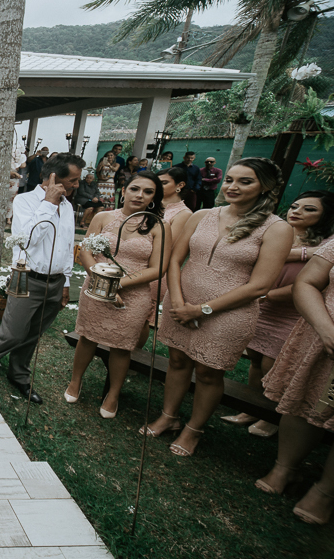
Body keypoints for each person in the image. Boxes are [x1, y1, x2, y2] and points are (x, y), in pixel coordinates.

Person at [142, 158, 293, 457]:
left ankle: (194, 430)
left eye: (245, 181)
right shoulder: (203, 216)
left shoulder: (276, 228)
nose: (233, 186)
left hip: (228, 313)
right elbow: (173, 260)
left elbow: (260, 286)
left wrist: (202, 310)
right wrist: (180, 301)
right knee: (177, 361)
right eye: (231, 179)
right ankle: (169, 416)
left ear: (265, 187)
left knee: (209, 373)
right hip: (181, 301)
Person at [223, 190, 334, 436]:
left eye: (309, 209)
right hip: (261, 307)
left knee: (273, 365)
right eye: (295, 206)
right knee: (254, 360)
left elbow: (311, 284)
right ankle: (251, 407)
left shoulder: (327, 245)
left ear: (326, 216)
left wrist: (269, 294)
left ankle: (272, 415)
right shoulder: (279, 233)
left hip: (291, 313)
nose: (297, 211)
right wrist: (303, 253)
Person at [0, 153, 86, 401]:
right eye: (73, 180)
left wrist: (66, 282)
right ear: (53, 178)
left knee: (33, 335)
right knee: (13, 333)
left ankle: (19, 375)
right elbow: (27, 241)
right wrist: (48, 204)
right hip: (27, 278)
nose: (76, 186)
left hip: (56, 282)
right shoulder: (25, 201)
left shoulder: (68, 206)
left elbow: (68, 245)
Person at [66, 173, 170, 418]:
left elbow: (158, 268)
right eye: (134, 189)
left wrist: (119, 284)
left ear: (154, 197)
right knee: (87, 336)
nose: (139, 195)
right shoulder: (103, 218)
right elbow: (86, 253)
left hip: (133, 294)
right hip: (96, 288)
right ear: (123, 190)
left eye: (148, 192)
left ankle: (113, 394)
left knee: (122, 346)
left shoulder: (158, 226)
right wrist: (103, 281)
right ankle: (75, 381)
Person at [255, 238, 334, 525]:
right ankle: (285, 467)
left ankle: (326, 490)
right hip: (322, 330)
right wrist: (326, 329)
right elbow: (308, 282)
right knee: (303, 400)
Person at [147, 167, 194, 333]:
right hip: (136, 261)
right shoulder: (150, 205)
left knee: (142, 318)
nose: (158, 187)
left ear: (180, 185)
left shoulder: (183, 214)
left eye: (164, 183)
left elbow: (168, 247)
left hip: (157, 269)